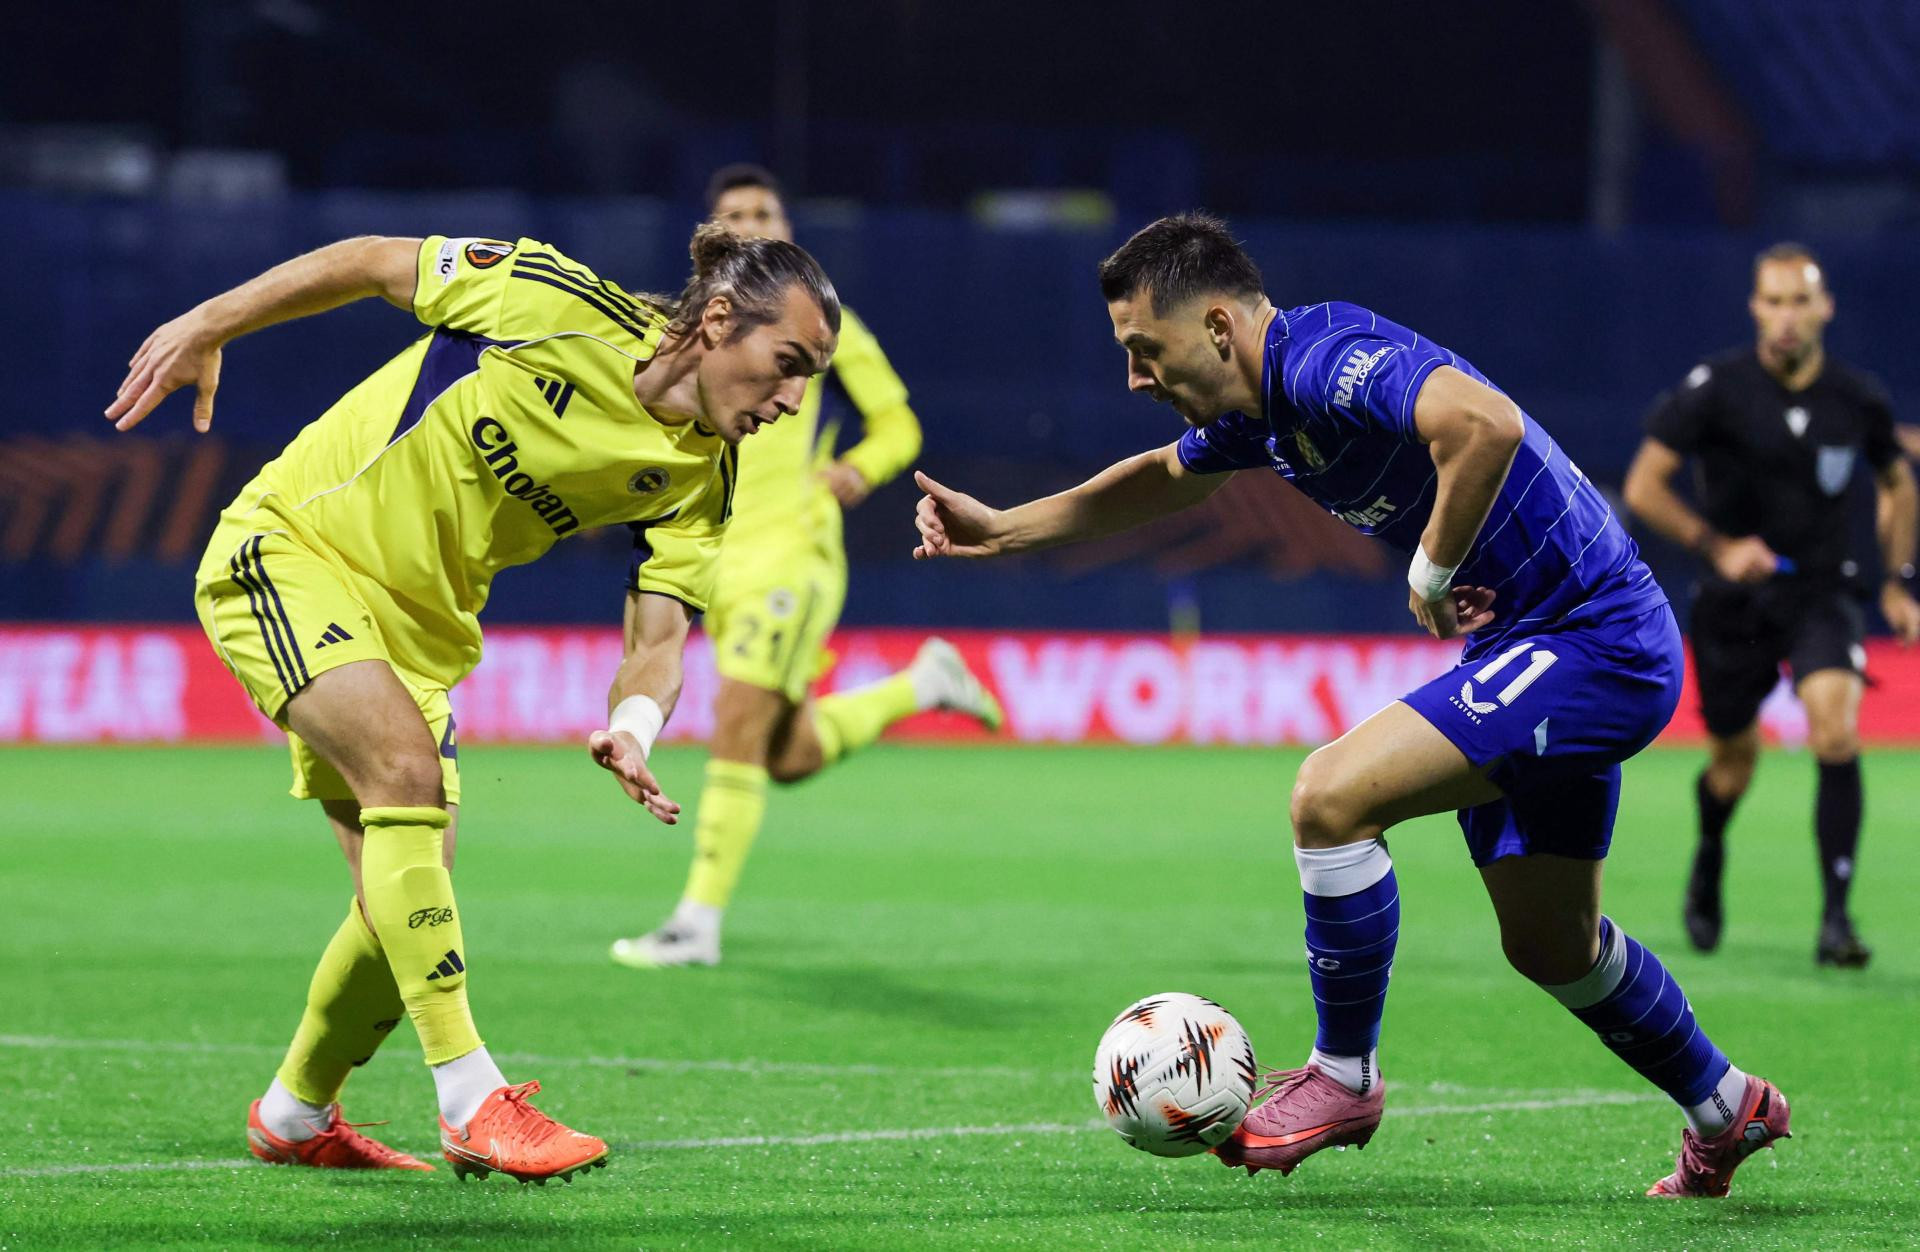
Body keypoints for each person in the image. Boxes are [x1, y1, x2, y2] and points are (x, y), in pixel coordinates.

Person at [912, 213, 1789, 1198]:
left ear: (1217, 326)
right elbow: (1161, 481)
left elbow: (1484, 424)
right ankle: (1727, 1105)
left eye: (1144, 349)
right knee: (1552, 944)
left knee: (1330, 797)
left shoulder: (1323, 360)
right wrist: (1002, 530)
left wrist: (1432, 565)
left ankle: (1343, 1076)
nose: (1135, 378)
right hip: (1534, 648)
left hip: (1594, 641)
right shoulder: (1259, 413)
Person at [105, 224, 841, 1181]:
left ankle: (293, 1112)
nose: (793, 401)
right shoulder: (553, 301)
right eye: (787, 364)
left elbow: (658, 643)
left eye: (809, 379)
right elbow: (370, 261)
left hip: (419, 644)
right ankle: (470, 1095)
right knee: (405, 778)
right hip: (293, 550)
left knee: (405, 909)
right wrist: (211, 323)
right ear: (716, 321)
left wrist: (633, 726)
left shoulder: (701, 479)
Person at [610, 165, 1000, 970]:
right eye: (735, 214)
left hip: (790, 551)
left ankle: (696, 923)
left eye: (766, 211)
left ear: (787, 228)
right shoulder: (689, 329)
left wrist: (859, 468)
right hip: (711, 555)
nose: (752, 224)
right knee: (783, 756)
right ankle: (921, 685)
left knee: (735, 721)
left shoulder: (826, 326)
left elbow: (898, 424)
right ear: (710, 237)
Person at [1623, 242, 1918, 968]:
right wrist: (1716, 545)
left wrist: (1896, 580)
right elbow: (1644, 486)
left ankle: (1836, 921)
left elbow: (1898, 484)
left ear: (1825, 308)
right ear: (1756, 307)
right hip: (1734, 601)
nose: (1787, 316)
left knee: (1836, 732)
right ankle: (1710, 850)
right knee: (1734, 764)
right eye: (1775, 301)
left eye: (1800, 301)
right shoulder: (1715, 389)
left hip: (1823, 591)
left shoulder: (1857, 398)